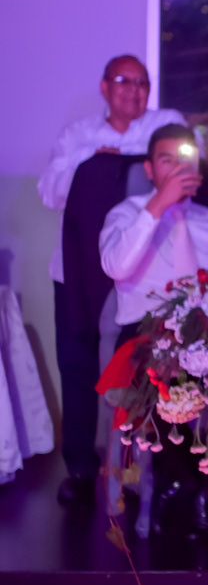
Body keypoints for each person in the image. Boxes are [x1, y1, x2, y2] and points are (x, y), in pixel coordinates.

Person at [38, 55, 188, 505]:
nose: (134, 90)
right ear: (105, 87)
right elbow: (49, 193)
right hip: (78, 266)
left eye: (142, 82)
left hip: (141, 270)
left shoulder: (165, 124)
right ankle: (81, 467)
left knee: (148, 365)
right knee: (77, 364)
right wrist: (93, 165)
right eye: (124, 81)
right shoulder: (78, 135)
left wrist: (124, 165)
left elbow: (182, 171)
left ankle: (154, 469)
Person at [99, 124, 208, 335]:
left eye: (186, 159)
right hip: (145, 332)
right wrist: (160, 203)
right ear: (149, 170)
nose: (179, 168)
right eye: (167, 161)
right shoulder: (126, 213)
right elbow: (117, 268)